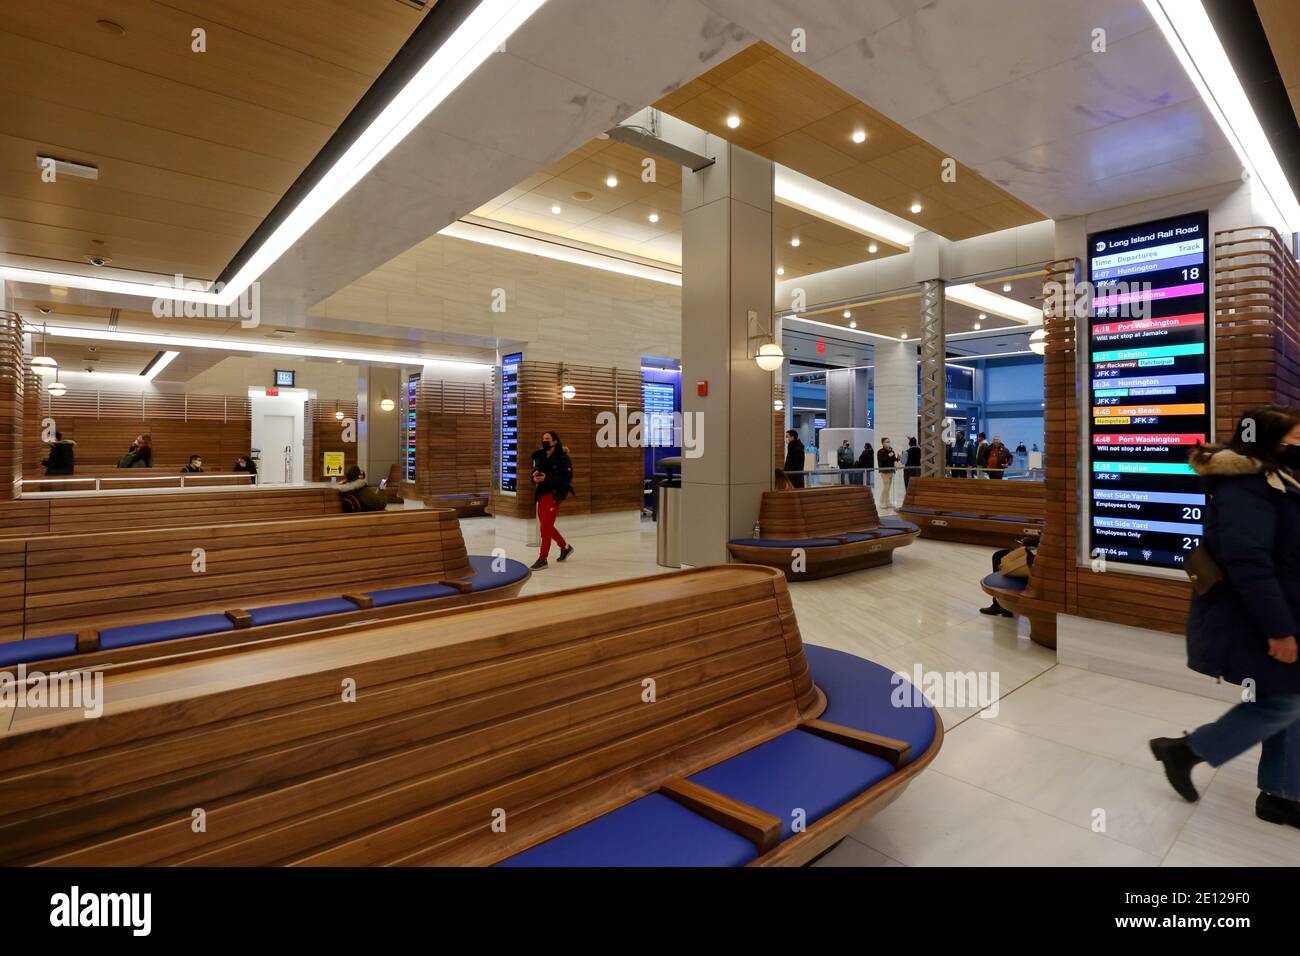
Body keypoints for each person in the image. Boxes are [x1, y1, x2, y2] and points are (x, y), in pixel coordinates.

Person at [1150, 406, 1300, 830]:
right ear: (1273, 443)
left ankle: (1281, 794)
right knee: (1281, 704)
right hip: (1250, 618)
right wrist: (1279, 630)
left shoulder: (1276, 481)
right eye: (1296, 437)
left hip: (1276, 611)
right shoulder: (1245, 489)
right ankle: (1185, 751)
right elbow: (1249, 564)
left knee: (1286, 700)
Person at [530, 430, 575, 570]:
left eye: (548, 439)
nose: (545, 441)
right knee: (546, 526)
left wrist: (547, 478)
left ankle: (543, 559)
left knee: (545, 528)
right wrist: (534, 478)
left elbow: (566, 479)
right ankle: (565, 547)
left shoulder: (563, 457)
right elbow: (533, 472)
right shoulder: (540, 455)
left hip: (554, 495)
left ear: (555, 441)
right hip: (541, 495)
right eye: (543, 438)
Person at [876, 437, 899, 508]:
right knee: (886, 487)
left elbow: (893, 460)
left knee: (888, 488)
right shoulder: (880, 451)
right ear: (883, 443)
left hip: (891, 471)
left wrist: (898, 458)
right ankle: (882, 502)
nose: (888, 443)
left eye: (889, 441)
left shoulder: (891, 451)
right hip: (884, 471)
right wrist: (889, 455)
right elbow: (881, 460)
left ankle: (887, 502)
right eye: (887, 442)